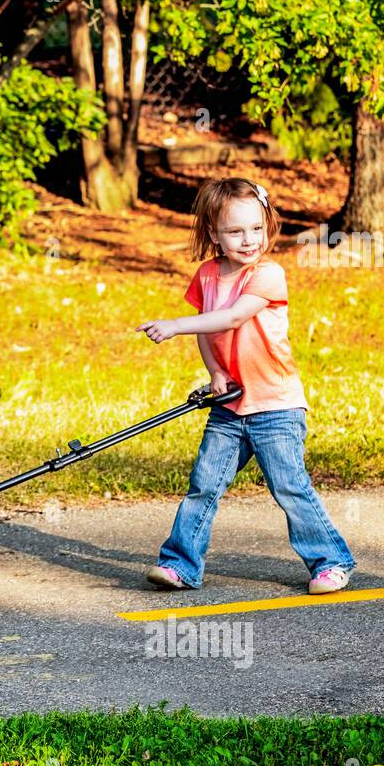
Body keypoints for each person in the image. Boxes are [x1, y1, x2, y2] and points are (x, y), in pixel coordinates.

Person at [134, 176, 355, 595]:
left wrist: (175, 325)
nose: (248, 239)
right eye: (235, 231)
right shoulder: (206, 275)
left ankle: (331, 562)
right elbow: (208, 330)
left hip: (275, 406)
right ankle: (180, 565)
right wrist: (216, 372)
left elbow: (232, 317)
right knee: (204, 484)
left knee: (289, 487)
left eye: (256, 228)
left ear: (268, 224)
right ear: (214, 233)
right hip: (230, 406)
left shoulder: (268, 274)